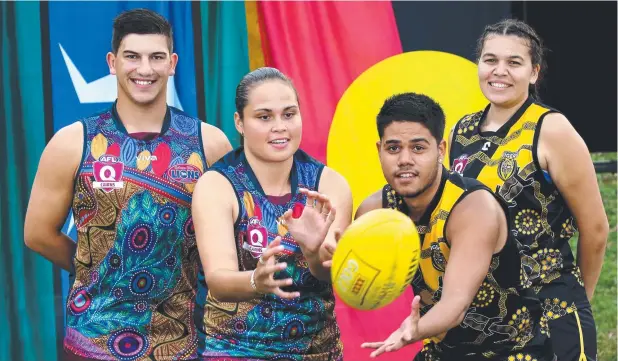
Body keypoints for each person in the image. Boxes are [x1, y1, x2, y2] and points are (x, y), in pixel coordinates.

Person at [24, 8, 232, 361]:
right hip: (91, 343)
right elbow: (38, 234)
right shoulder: (73, 141)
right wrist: (99, 268)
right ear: (112, 61)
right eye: (132, 56)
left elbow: (234, 239)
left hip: (180, 344)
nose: (145, 69)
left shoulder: (209, 144)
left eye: (157, 57)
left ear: (173, 63)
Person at [448, 19, 608, 361]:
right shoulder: (462, 131)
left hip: (551, 316)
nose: (499, 71)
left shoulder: (551, 129)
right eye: (490, 60)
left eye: (514, 62)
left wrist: (578, 300)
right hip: (487, 323)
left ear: (534, 73)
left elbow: (595, 229)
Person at [357, 93, 554, 360]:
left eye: (418, 148)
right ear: (379, 149)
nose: (404, 159)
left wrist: (413, 330)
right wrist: (315, 249)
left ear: (440, 150)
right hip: (443, 351)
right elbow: (341, 270)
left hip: (513, 351)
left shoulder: (472, 208)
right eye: (393, 148)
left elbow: (455, 305)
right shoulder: (374, 211)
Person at [192, 67, 353, 361]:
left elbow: (330, 275)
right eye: (264, 117)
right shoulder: (217, 185)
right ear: (239, 122)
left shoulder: (329, 184)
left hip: (317, 350)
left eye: (289, 114)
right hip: (236, 349)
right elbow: (218, 279)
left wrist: (315, 252)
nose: (280, 126)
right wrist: (256, 280)